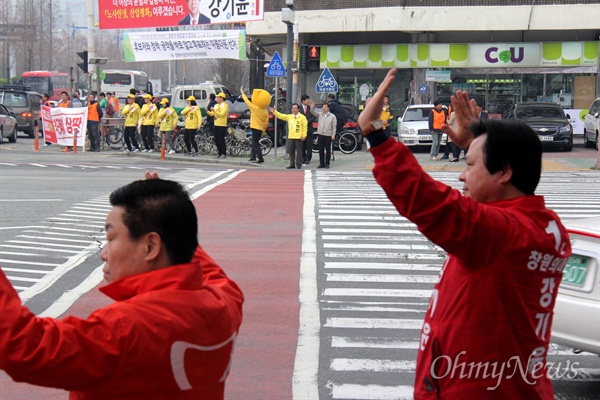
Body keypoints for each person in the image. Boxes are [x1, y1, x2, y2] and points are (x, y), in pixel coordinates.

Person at [359, 68, 572, 400]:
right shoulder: (541, 226)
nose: (460, 176)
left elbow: (432, 204)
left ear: (504, 172)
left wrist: (375, 135)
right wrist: (478, 142)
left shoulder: (501, 233)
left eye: (470, 165)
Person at [0, 176, 244, 399]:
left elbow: (24, 345)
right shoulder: (223, 303)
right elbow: (201, 265)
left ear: (150, 246)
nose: (103, 254)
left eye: (111, 239)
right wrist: (169, 218)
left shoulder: (125, 329)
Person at [270, 103, 307, 169]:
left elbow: (304, 127)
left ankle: (298, 164)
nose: (294, 110)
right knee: (291, 152)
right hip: (291, 136)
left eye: (295, 108)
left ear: (298, 109)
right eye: (293, 108)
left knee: (299, 152)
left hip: (299, 137)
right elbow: (281, 116)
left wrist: (304, 135)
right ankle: (292, 164)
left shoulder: (302, 117)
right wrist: (274, 112)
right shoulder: (290, 116)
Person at [240, 86, 269, 164]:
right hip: (260, 128)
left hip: (255, 127)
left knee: (255, 143)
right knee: (254, 141)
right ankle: (253, 157)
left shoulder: (255, 108)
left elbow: (247, 101)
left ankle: (260, 158)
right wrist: (264, 129)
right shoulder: (265, 111)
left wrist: (242, 93)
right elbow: (266, 121)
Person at [309, 101, 337, 169]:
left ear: (328, 108)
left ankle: (327, 163)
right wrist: (312, 108)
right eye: (323, 107)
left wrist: (333, 135)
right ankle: (321, 163)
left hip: (328, 135)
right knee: (320, 150)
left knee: (327, 150)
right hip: (320, 134)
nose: (323, 108)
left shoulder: (332, 116)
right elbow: (313, 113)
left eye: (325, 107)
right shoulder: (320, 115)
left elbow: (334, 126)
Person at [206, 92, 229, 159]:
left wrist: (214, 111)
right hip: (216, 124)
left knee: (221, 139)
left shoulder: (225, 106)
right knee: (216, 139)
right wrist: (207, 111)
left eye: (218, 97)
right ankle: (219, 152)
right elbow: (212, 114)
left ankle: (223, 153)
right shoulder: (216, 105)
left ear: (222, 98)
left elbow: (221, 114)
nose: (217, 98)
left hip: (222, 125)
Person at [299, 95, 316, 164]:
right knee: (302, 145)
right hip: (301, 130)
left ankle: (308, 158)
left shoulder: (310, 108)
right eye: (307, 100)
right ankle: (303, 157)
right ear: (303, 101)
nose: (308, 101)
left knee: (309, 145)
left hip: (309, 129)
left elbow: (314, 117)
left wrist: (307, 121)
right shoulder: (299, 108)